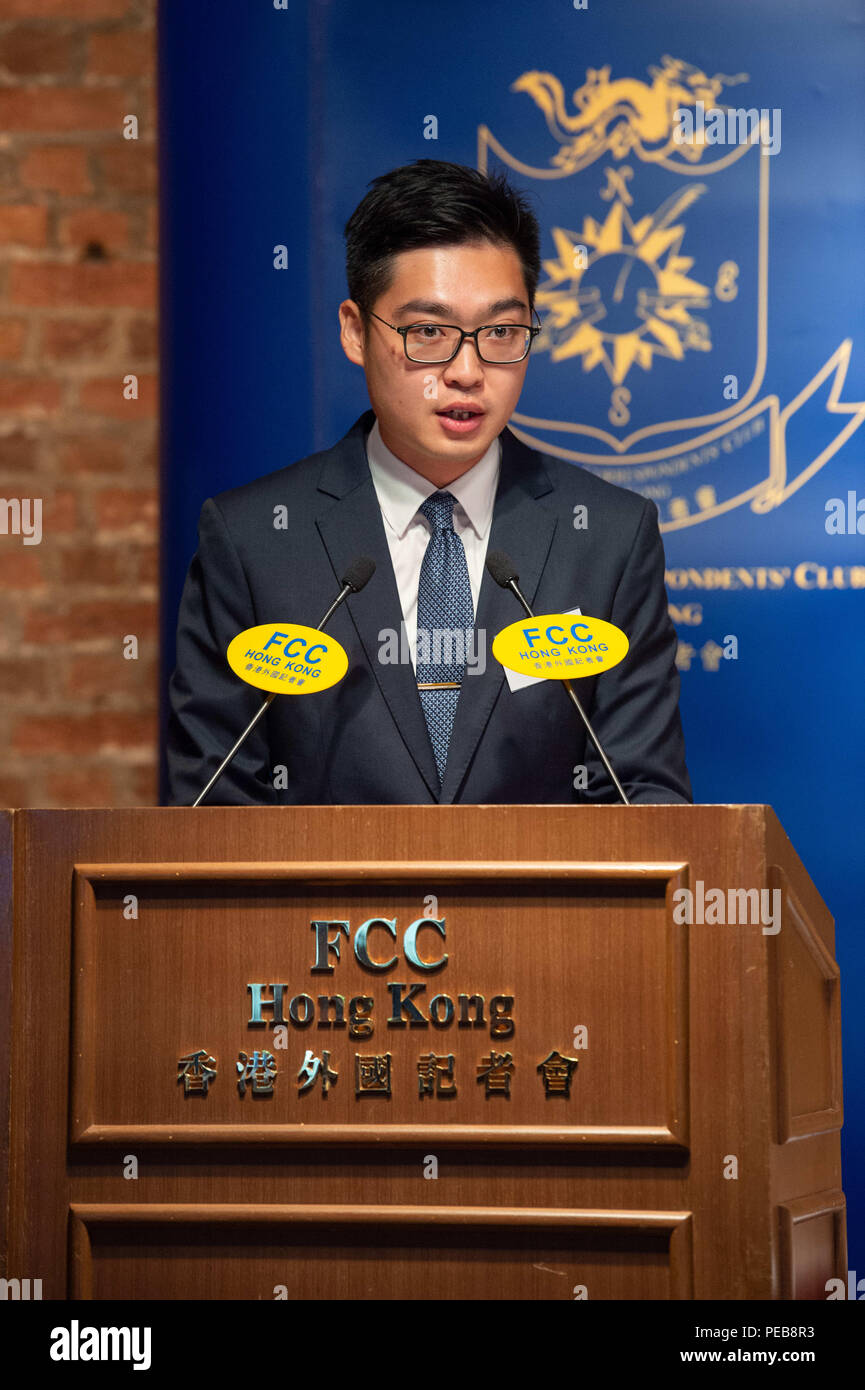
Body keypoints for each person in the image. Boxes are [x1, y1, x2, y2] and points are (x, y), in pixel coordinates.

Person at [166, 159, 692, 807]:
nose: (467, 370)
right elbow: (211, 804)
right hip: (327, 912)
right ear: (356, 332)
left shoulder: (609, 536)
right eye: (429, 333)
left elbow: (644, 794)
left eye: (501, 331)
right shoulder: (254, 541)